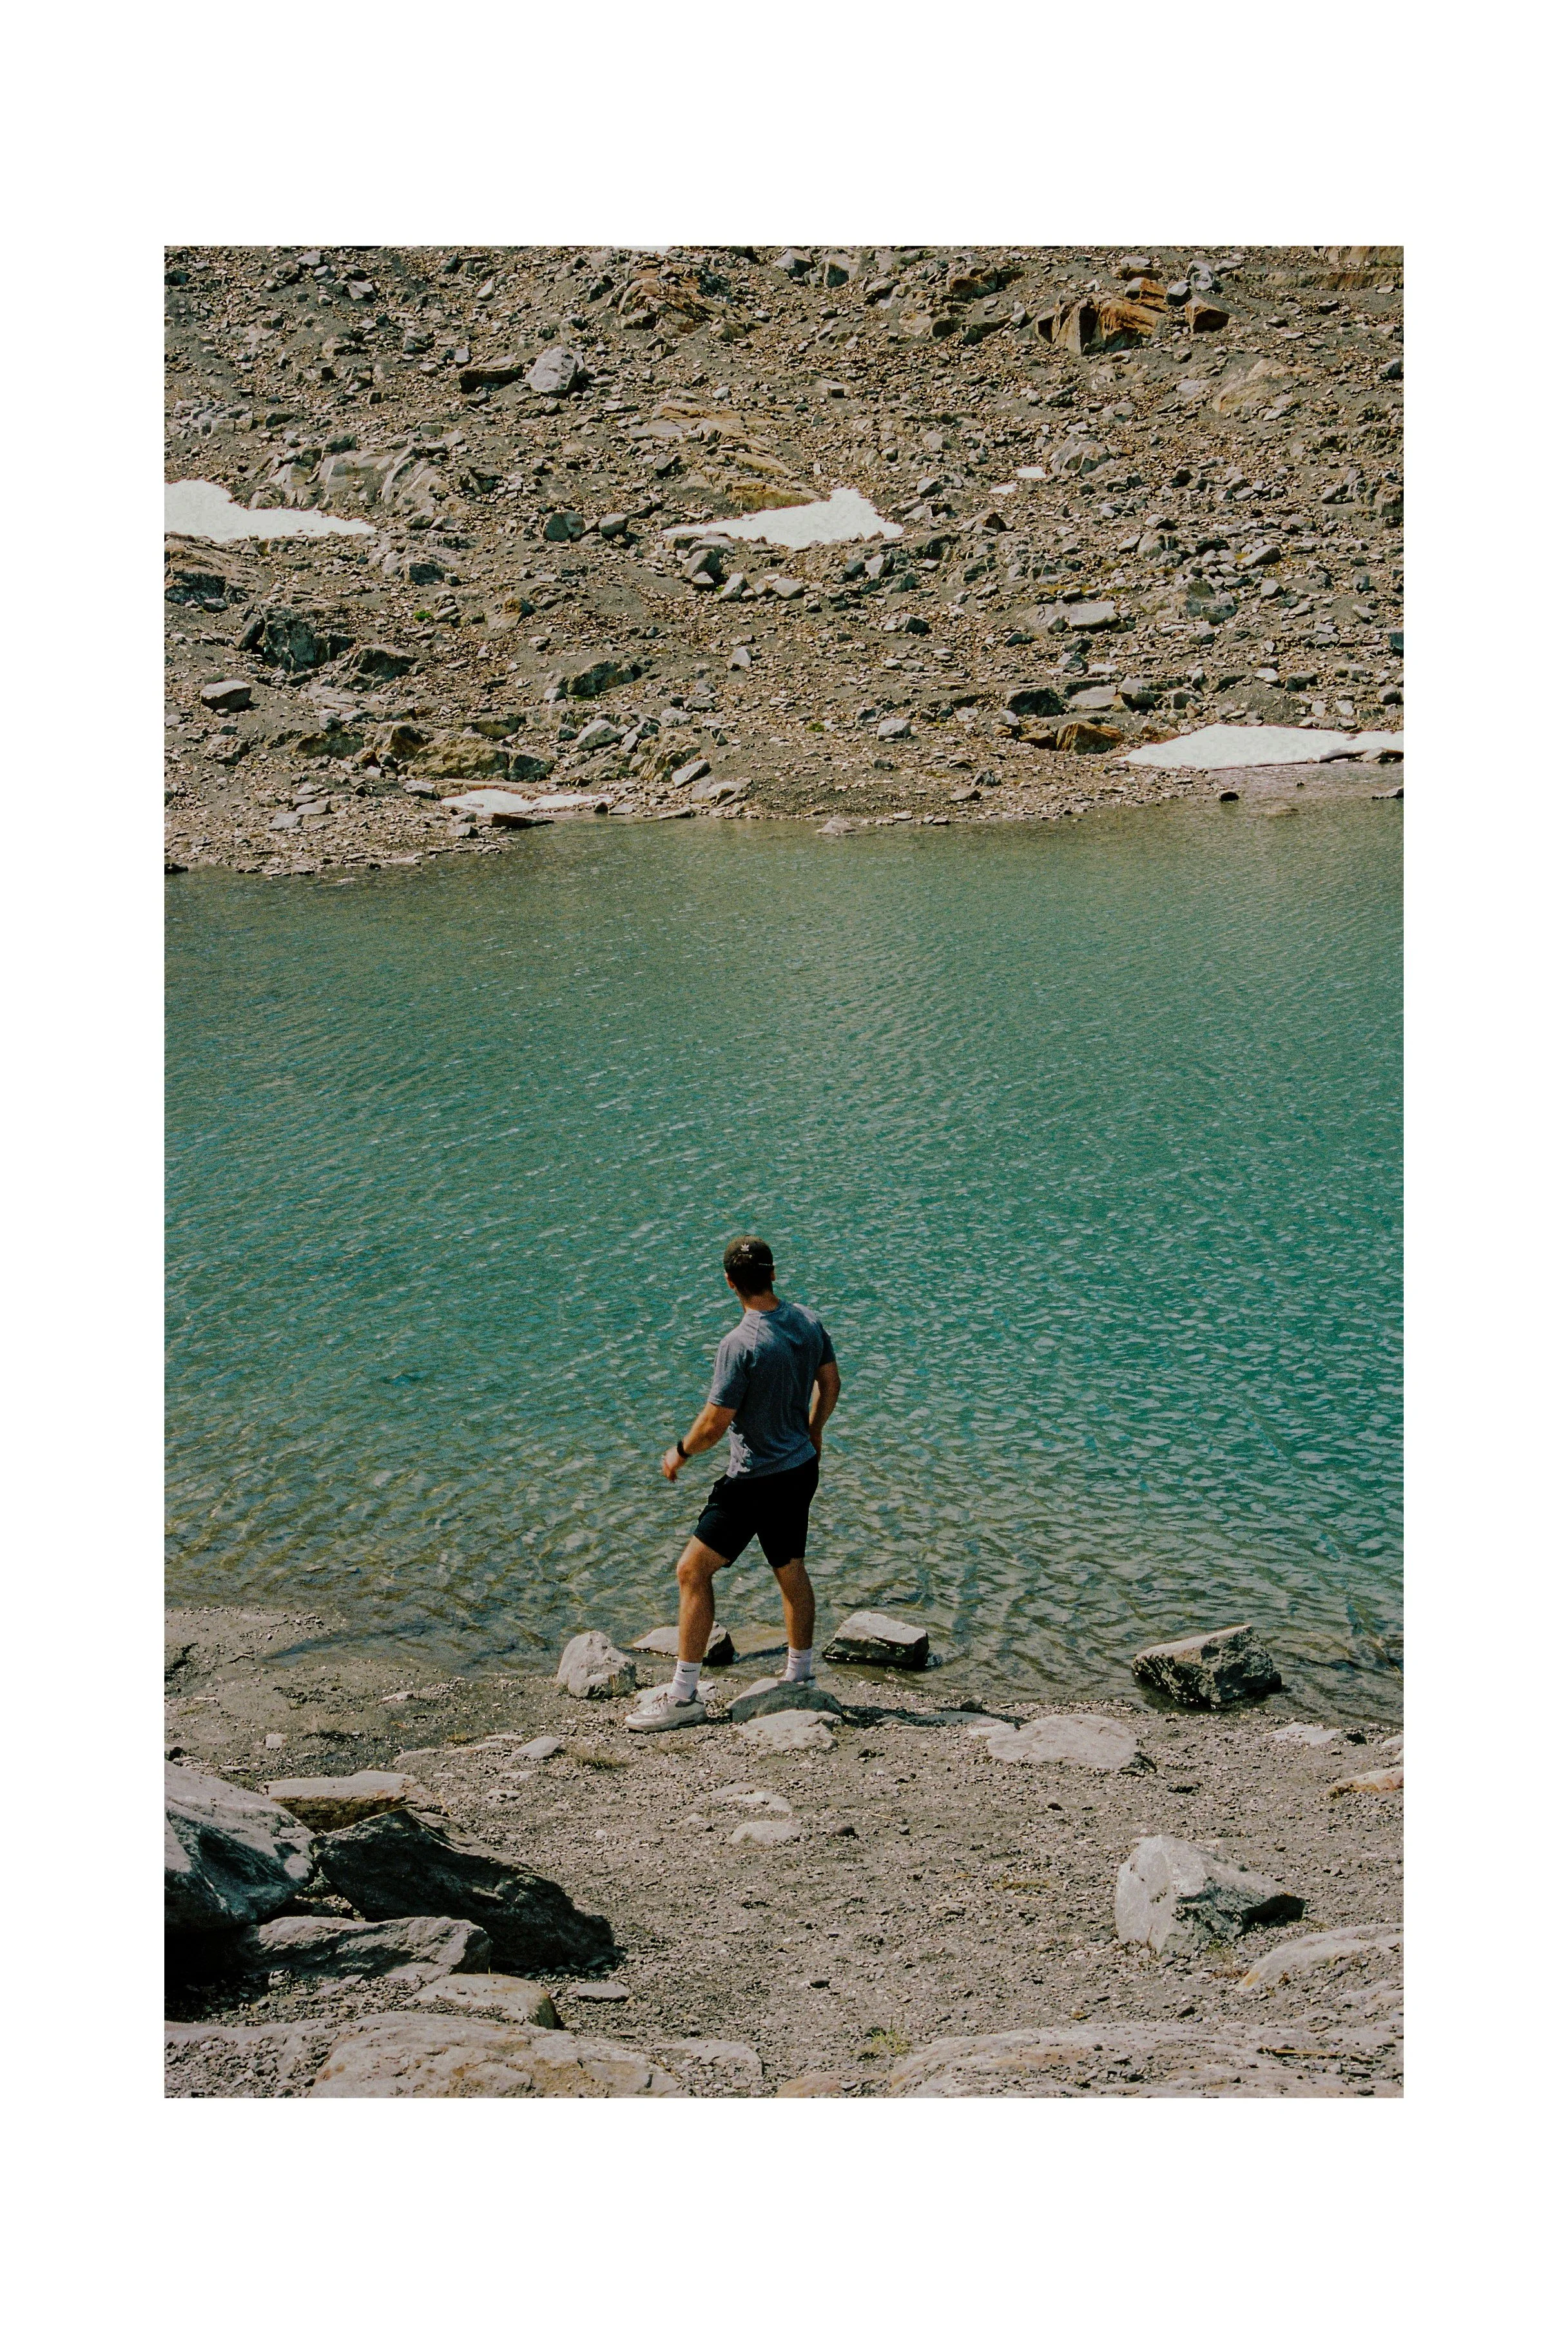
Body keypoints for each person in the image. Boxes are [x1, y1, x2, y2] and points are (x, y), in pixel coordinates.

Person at [627, 1235, 840, 1730]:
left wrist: (678, 1452)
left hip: (753, 1481)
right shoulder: (807, 1321)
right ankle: (800, 1676)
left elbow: (713, 1424)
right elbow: (830, 1382)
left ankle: (683, 1696)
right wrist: (814, 1430)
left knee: (691, 1571)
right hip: (799, 1468)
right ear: (773, 1273)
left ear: (729, 1282)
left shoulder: (738, 1343)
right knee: (789, 1566)